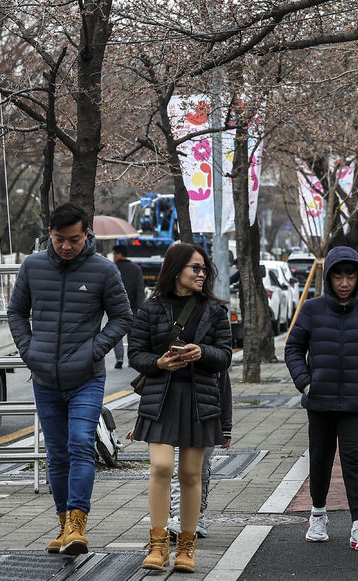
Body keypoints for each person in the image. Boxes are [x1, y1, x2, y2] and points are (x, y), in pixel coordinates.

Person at [7, 202, 133, 555]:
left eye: (74, 239)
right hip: (44, 377)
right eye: (60, 239)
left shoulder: (104, 271)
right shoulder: (32, 267)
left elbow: (123, 317)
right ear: (49, 232)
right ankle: (63, 523)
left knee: (80, 443)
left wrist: (95, 350)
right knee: (56, 454)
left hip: (86, 378)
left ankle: (78, 522)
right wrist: (29, 351)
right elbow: (16, 312)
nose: (66, 246)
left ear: (86, 234)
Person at [128, 241, 232, 573]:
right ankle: (158, 544)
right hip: (161, 397)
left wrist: (203, 352)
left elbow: (225, 355)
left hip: (199, 400)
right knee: (160, 467)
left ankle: (186, 547)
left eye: (204, 269)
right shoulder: (151, 308)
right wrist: (158, 362)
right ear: (176, 270)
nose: (202, 274)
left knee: (189, 474)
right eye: (195, 268)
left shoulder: (215, 310)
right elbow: (136, 355)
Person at [285, 246, 358, 550]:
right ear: (329, 277)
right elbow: (292, 348)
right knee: (320, 457)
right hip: (320, 399)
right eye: (339, 276)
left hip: (356, 400)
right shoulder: (312, 309)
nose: (345, 283)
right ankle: (318, 515)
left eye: (351, 276)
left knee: (355, 459)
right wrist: (306, 383)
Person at [168, 369, 232, 540]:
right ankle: (178, 515)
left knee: (200, 472)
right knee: (176, 469)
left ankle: (198, 515)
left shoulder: (215, 355)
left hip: (206, 420)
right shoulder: (168, 353)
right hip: (174, 420)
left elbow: (224, 391)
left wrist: (226, 428)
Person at [112, 244, 146, 368]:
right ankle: (131, 360)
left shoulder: (113, 268)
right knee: (132, 335)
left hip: (116, 308)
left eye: (114, 254)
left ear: (119, 254)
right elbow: (140, 290)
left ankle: (119, 358)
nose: (114, 257)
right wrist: (140, 307)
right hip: (132, 308)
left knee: (117, 335)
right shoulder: (135, 268)